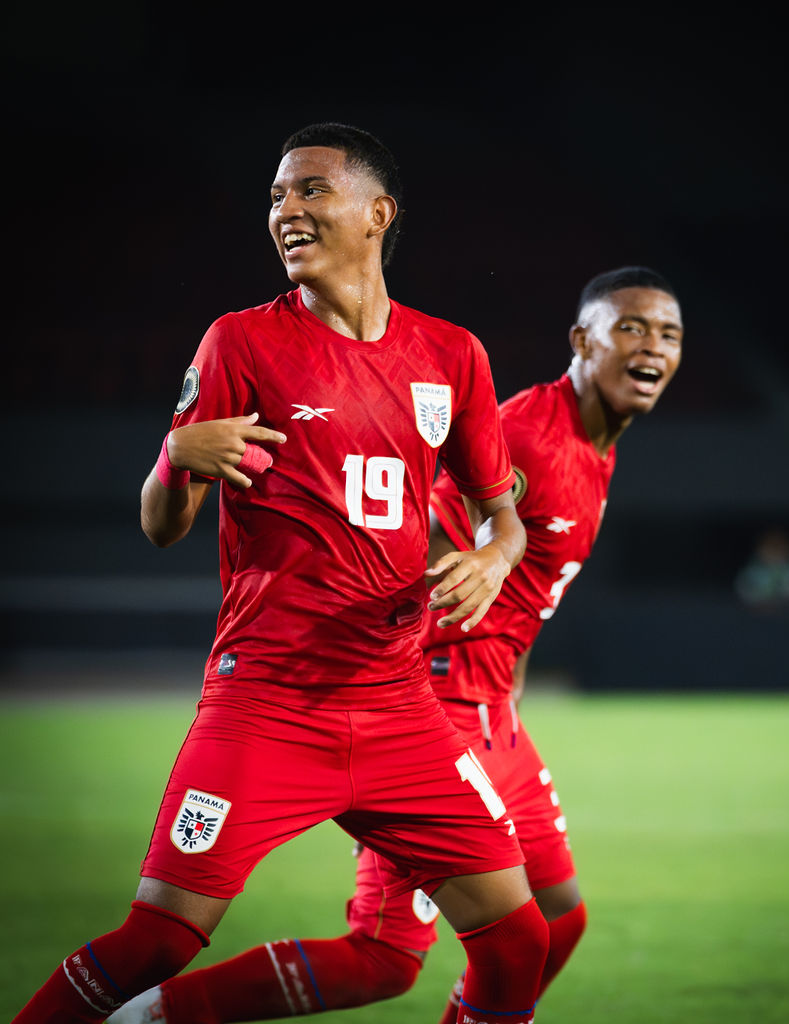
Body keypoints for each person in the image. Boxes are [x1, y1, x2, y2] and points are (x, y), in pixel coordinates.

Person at [12, 122, 552, 1024]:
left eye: (309, 190)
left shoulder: (451, 356)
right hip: (268, 703)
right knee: (157, 941)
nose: (286, 212)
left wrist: (495, 555)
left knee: (517, 939)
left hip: (397, 708)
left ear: (378, 214)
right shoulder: (240, 343)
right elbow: (163, 527)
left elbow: (505, 513)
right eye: (276, 197)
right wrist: (174, 455)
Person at [108, 265, 685, 1024]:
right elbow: (414, 542)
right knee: (387, 957)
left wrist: (506, 676)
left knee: (551, 925)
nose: (651, 346)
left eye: (668, 333)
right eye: (632, 328)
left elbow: (517, 593)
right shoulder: (529, 435)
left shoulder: (595, 442)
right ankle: (155, 1013)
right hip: (434, 706)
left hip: (494, 716)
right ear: (583, 341)